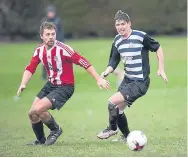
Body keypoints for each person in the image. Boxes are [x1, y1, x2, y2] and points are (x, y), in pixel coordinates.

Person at [17, 22, 110, 146]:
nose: (51, 37)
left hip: (65, 87)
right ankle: (40, 141)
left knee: (38, 109)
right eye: (48, 34)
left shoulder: (64, 49)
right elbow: (30, 68)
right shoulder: (38, 50)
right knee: (32, 113)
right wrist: (23, 83)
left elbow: (84, 62)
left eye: (53, 34)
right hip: (50, 85)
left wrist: (98, 78)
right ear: (41, 36)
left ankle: (56, 130)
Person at [97, 10, 168, 142]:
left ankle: (112, 129)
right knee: (117, 109)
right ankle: (127, 137)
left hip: (140, 82)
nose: (120, 27)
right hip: (127, 80)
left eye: (123, 24)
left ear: (129, 23)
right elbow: (113, 61)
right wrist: (106, 72)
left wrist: (161, 69)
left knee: (111, 102)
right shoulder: (117, 40)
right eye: (117, 25)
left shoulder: (141, 36)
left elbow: (158, 47)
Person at [41, 5, 65, 80]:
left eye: (52, 12)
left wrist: (61, 42)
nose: (50, 14)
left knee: (57, 58)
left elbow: (61, 32)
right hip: (47, 43)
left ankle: (57, 74)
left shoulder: (57, 21)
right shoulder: (44, 21)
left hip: (56, 42)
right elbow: (42, 32)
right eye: (49, 12)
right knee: (46, 58)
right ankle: (45, 75)